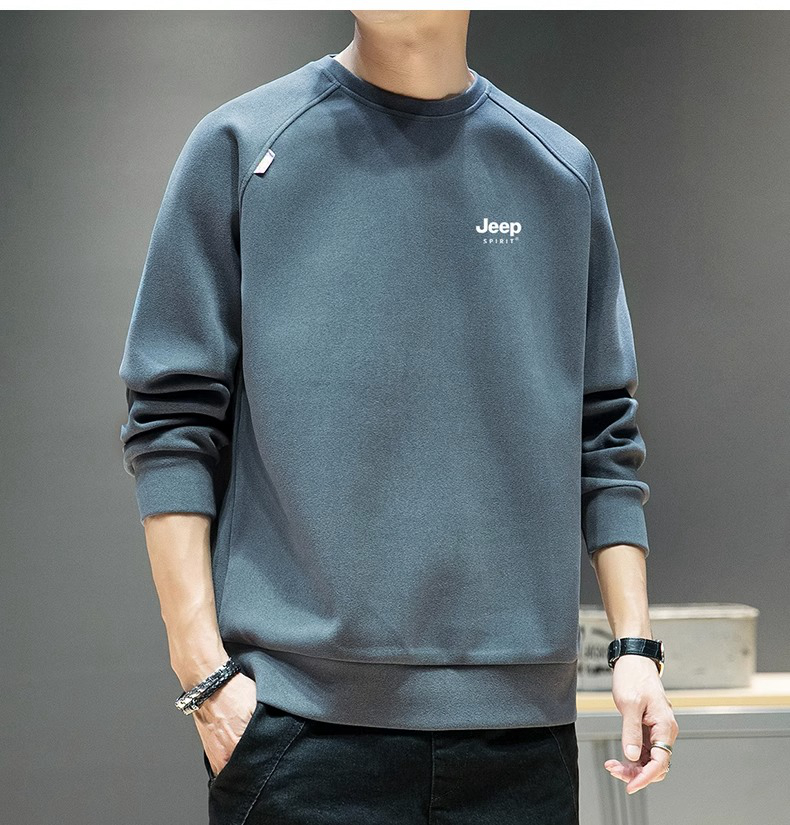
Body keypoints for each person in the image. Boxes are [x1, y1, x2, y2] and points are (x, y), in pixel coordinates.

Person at [118, 9, 678, 824]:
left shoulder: (557, 169)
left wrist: (634, 649)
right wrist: (203, 673)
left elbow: (603, 428)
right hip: (298, 729)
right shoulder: (244, 146)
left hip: (519, 737)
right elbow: (171, 415)